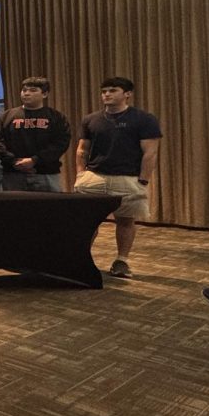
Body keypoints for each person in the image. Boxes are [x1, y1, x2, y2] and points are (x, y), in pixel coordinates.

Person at [74, 77, 161, 279]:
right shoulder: (91, 119)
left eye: (113, 90)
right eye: (104, 91)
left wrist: (143, 180)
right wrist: (80, 174)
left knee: (125, 221)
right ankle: (80, 259)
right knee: (87, 222)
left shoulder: (144, 119)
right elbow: (82, 150)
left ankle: (121, 261)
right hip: (94, 177)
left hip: (127, 178)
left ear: (127, 94)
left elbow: (150, 152)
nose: (107, 94)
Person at [0, 76, 71, 192]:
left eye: (33, 90)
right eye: (24, 90)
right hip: (13, 174)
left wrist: (35, 160)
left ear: (44, 94)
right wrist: (14, 161)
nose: (27, 93)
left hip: (46, 174)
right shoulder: (6, 116)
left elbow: (60, 143)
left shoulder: (56, 117)